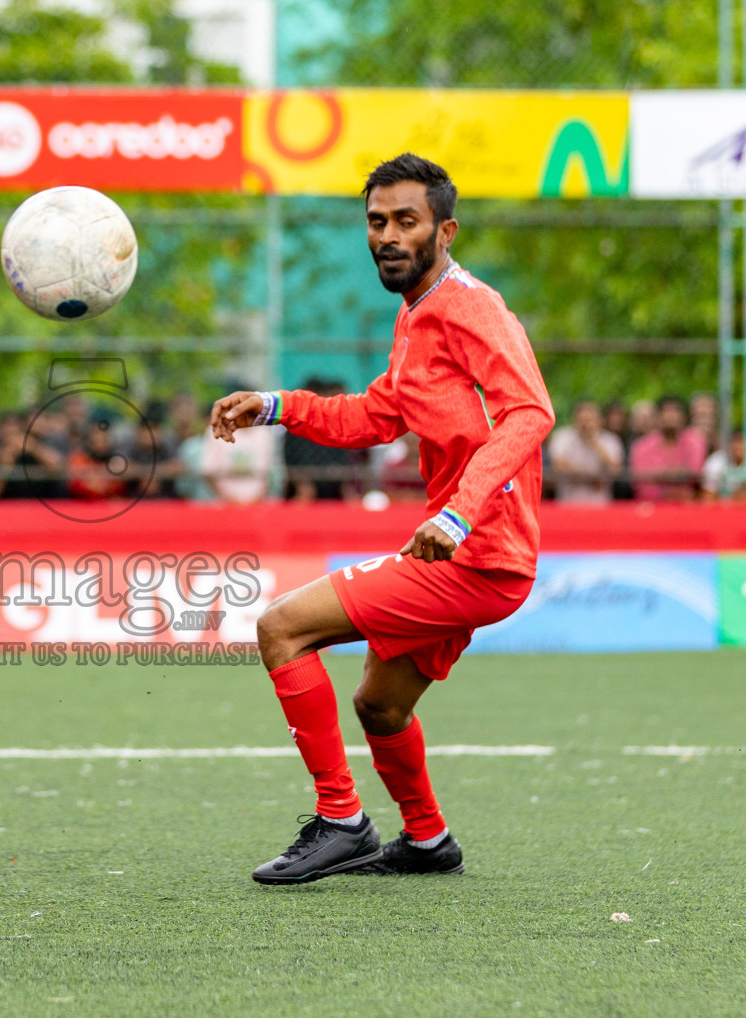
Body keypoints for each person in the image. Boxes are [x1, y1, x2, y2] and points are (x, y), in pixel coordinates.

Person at [210, 153, 553, 882]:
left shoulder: (471, 308)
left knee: (281, 627)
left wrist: (458, 516)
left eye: (406, 221)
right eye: (377, 221)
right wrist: (275, 405)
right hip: (459, 551)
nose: (388, 235)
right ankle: (428, 840)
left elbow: (529, 413)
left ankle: (341, 820)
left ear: (445, 231)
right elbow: (377, 414)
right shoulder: (416, 313)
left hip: (477, 554)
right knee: (380, 706)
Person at [284, 378, 354, 501]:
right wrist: (302, 483)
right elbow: (291, 460)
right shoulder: (295, 427)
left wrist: (344, 486)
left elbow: (342, 461)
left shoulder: (336, 428)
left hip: (332, 489)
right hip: (304, 490)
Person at [628, 396, 706, 502]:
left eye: (675, 412)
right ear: (657, 417)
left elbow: (695, 473)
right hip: (652, 504)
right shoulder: (642, 446)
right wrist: (666, 490)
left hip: (689, 504)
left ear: (683, 417)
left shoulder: (695, 441)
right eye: (666, 412)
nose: (670, 417)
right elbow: (641, 482)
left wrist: (661, 476)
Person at [547, 399, 623, 505]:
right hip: (568, 503)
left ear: (599, 420)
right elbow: (558, 466)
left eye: (590, 419)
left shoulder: (610, 440)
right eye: (583, 419)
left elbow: (614, 469)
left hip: (600, 504)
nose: (586, 424)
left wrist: (593, 442)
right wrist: (590, 478)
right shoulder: (562, 437)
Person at [701, 431, 746, 503]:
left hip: (741, 508)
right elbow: (708, 496)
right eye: (735, 442)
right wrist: (743, 495)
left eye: (741, 442)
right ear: (728, 445)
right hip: (721, 509)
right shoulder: (716, 460)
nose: (738, 446)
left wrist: (725, 497)